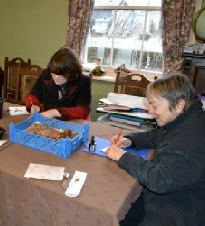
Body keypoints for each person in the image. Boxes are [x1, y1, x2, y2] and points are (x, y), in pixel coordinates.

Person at [106, 73, 205, 225]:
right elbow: (159, 134)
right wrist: (130, 140)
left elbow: (159, 180)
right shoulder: (185, 119)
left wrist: (122, 157)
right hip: (165, 198)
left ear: (179, 105)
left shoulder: (191, 138)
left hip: (178, 211)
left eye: (155, 105)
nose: (150, 111)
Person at [25, 46, 91, 121]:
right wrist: (33, 105)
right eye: (53, 74)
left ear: (71, 73)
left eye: (61, 76)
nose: (56, 78)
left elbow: (83, 110)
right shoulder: (46, 74)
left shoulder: (83, 81)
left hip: (73, 121)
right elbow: (32, 95)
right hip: (49, 120)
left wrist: (55, 112)